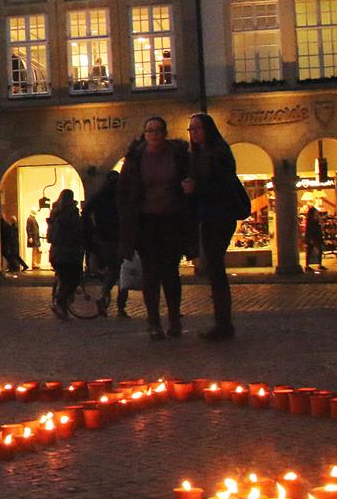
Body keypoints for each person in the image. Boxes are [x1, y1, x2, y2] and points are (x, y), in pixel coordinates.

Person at [118, 116, 193, 340]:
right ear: (145, 134)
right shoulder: (136, 157)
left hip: (172, 219)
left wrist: (188, 187)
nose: (154, 135)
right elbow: (124, 190)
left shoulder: (177, 155)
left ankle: (174, 318)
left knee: (170, 272)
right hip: (146, 221)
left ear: (165, 132)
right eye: (150, 131)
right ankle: (153, 322)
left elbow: (190, 176)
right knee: (150, 273)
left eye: (158, 131)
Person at [185, 113, 244, 340]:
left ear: (208, 129)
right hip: (207, 215)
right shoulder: (198, 154)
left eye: (197, 128)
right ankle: (222, 321)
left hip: (220, 215)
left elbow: (221, 185)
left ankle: (223, 324)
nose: (193, 133)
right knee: (214, 266)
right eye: (191, 129)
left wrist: (196, 188)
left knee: (215, 265)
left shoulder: (219, 153)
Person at [85, 171, 125, 316]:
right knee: (120, 271)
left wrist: (93, 229)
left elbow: (86, 211)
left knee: (117, 270)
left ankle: (115, 303)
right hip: (116, 238)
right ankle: (109, 300)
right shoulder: (119, 195)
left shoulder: (99, 195)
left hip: (105, 238)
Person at [47, 189, 85, 318]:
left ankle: (63, 308)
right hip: (69, 252)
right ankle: (60, 302)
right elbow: (77, 230)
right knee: (73, 279)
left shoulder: (54, 213)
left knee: (64, 279)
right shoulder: (71, 213)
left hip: (56, 252)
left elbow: (50, 236)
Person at [304, 205, 326, 273]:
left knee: (317, 250)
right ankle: (308, 265)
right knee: (311, 250)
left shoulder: (315, 220)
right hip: (314, 237)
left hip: (316, 237)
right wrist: (310, 238)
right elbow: (310, 230)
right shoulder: (311, 221)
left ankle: (318, 264)